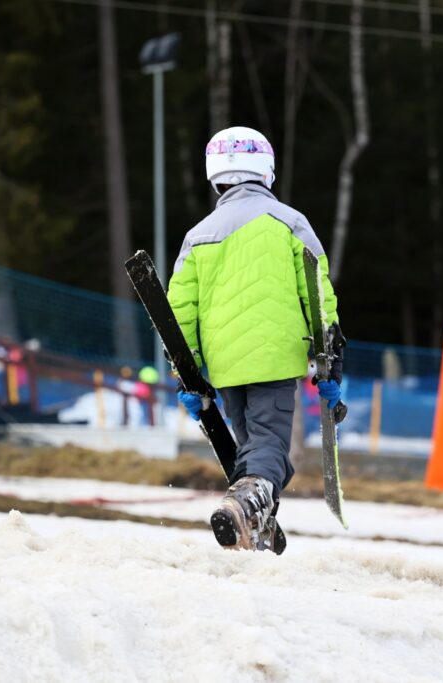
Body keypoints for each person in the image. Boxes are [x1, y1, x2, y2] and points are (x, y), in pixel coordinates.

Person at [168, 125, 343, 551]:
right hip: (276, 358)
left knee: (251, 443)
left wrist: (185, 375)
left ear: (215, 178)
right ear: (267, 172)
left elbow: (177, 314)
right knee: (269, 443)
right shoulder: (290, 223)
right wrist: (330, 363)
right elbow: (318, 296)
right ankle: (247, 503)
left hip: (226, 366)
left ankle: (252, 510)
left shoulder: (198, 237)